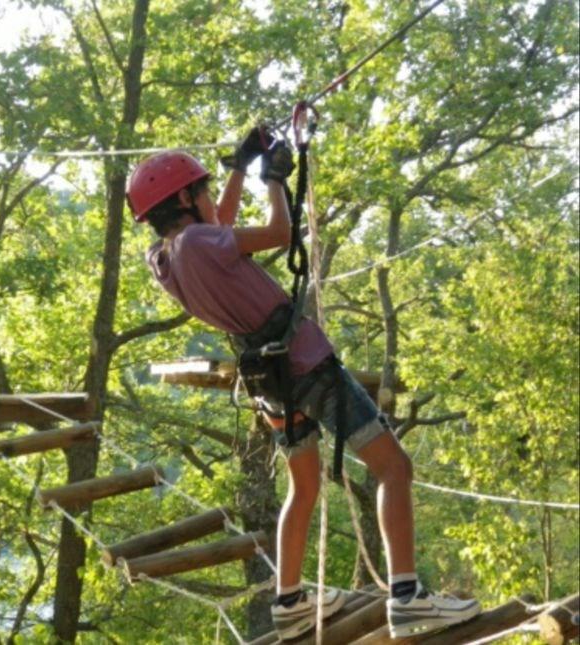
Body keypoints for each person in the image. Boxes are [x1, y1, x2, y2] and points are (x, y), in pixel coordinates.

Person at [127, 130, 480, 640]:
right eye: (201, 189)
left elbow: (217, 225)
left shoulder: (165, 258)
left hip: (268, 379)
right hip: (306, 366)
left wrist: (238, 168)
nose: (210, 198)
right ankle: (408, 598)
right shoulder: (202, 241)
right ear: (184, 198)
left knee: (305, 484)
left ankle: (289, 601)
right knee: (393, 468)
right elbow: (276, 232)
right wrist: (273, 180)